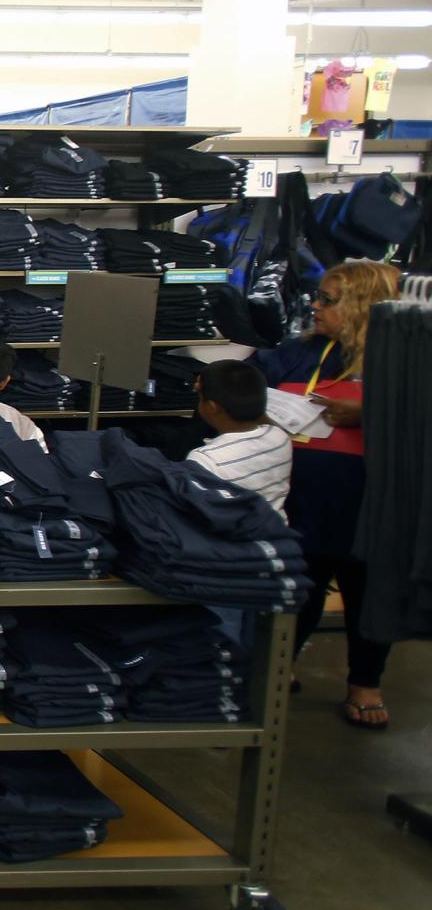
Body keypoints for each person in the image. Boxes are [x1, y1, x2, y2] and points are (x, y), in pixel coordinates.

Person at [255, 259, 400, 730]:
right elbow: (253, 376)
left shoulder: (406, 358)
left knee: (369, 587)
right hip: (305, 496)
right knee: (301, 582)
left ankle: (365, 681)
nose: (315, 306)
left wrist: (368, 412)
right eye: (318, 296)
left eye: (328, 300)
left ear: (364, 306)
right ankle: (281, 664)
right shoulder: (301, 353)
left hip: (373, 500)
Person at [186, 359, 292, 516]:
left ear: (212, 407)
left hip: (229, 538)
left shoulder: (205, 460)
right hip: (274, 533)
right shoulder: (280, 438)